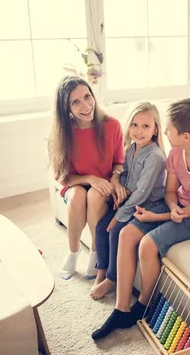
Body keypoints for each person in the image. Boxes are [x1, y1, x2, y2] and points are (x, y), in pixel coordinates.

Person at [92, 98, 190, 340]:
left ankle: (142, 304)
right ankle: (121, 308)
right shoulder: (176, 153)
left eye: (168, 129)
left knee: (147, 244)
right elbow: (170, 192)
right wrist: (171, 207)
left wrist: (159, 215)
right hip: (175, 207)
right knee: (125, 233)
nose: (164, 132)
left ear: (186, 136)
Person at [48, 75, 125, 280]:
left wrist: (114, 178)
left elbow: (119, 161)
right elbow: (63, 176)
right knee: (77, 197)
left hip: (105, 186)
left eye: (87, 97)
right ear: (66, 108)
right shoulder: (63, 133)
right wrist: (90, 179)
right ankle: (73, 253)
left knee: (96, 196)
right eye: (76, 102)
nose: (86, 105)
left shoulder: (112, 125)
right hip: (76, 184)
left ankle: (95, 253)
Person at [91, 101, 167, 300]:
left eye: (145, 126)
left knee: (115, 229)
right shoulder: (130, 149)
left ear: (155, 129)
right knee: (101, 227)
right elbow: (125, 175)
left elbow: (142, 192)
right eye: (134, 125)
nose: (139, 131)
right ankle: (102, 269)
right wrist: (119, 190)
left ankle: (112, 279)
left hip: (148, 205)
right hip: (130, 201)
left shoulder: (155, 157)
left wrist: (120, 215)